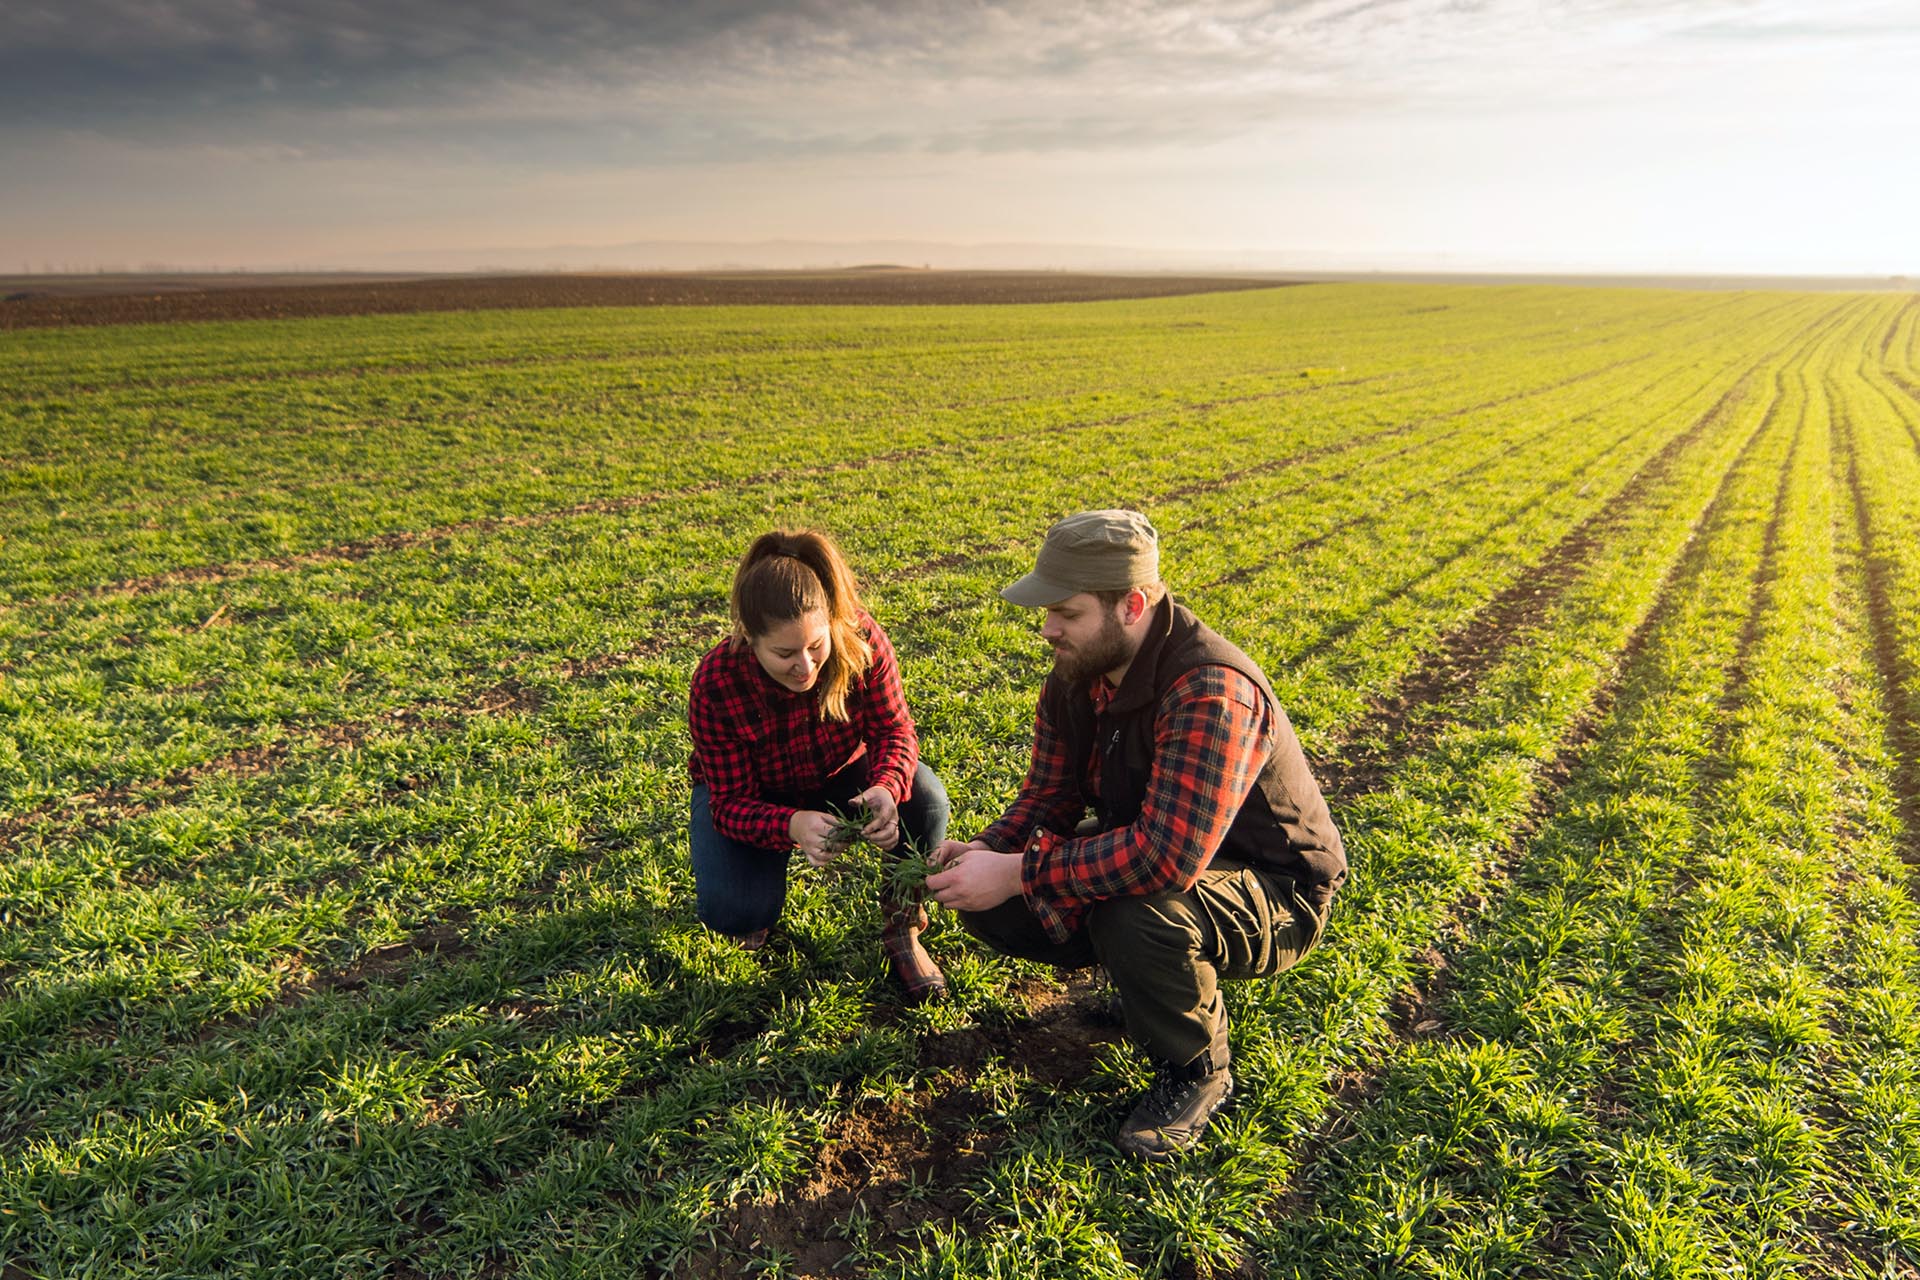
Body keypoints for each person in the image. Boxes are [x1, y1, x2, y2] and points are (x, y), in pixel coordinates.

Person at [926, 509, 1346, 1159]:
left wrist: (1017, 872)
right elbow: (1048, 797)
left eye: (1067, 613)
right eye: (1047, 612)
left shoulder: (1210, 689)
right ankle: (1145, 987)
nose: (1048, 630)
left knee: (1135, 910)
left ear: (1134, 605)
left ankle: (1198, 1071)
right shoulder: (1075, 679)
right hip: (1172, 852)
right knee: (1004, 907)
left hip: (1276, 889)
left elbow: (1165, 858)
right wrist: (988, 851)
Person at [687, 528, 950, 1001]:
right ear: (749, 637)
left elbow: (895, 731)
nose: (805, 668)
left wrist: (887, 789)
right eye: (784, 653)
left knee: (925, 800)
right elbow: (726, 804)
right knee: (733, 912)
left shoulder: (861, 639)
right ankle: (754, 910)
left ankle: (903, 925)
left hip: (839, 772)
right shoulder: (716, 679)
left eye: (816, 646)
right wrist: (791, 825)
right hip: (758, 794)